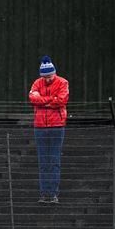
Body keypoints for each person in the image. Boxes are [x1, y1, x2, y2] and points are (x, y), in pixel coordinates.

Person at [28, 56, 69, 204]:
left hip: (57, 125)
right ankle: (45, 193)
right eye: (44, 77)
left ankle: (52, 193)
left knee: (54, 160)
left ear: (54, 73)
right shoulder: (36, 83)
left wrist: (42, 100)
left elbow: (62, 100)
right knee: (44, 161)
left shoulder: (63, 82)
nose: (47, 79)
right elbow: (33, 98)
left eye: (49, 76)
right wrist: (51, 100)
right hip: (40, 126)